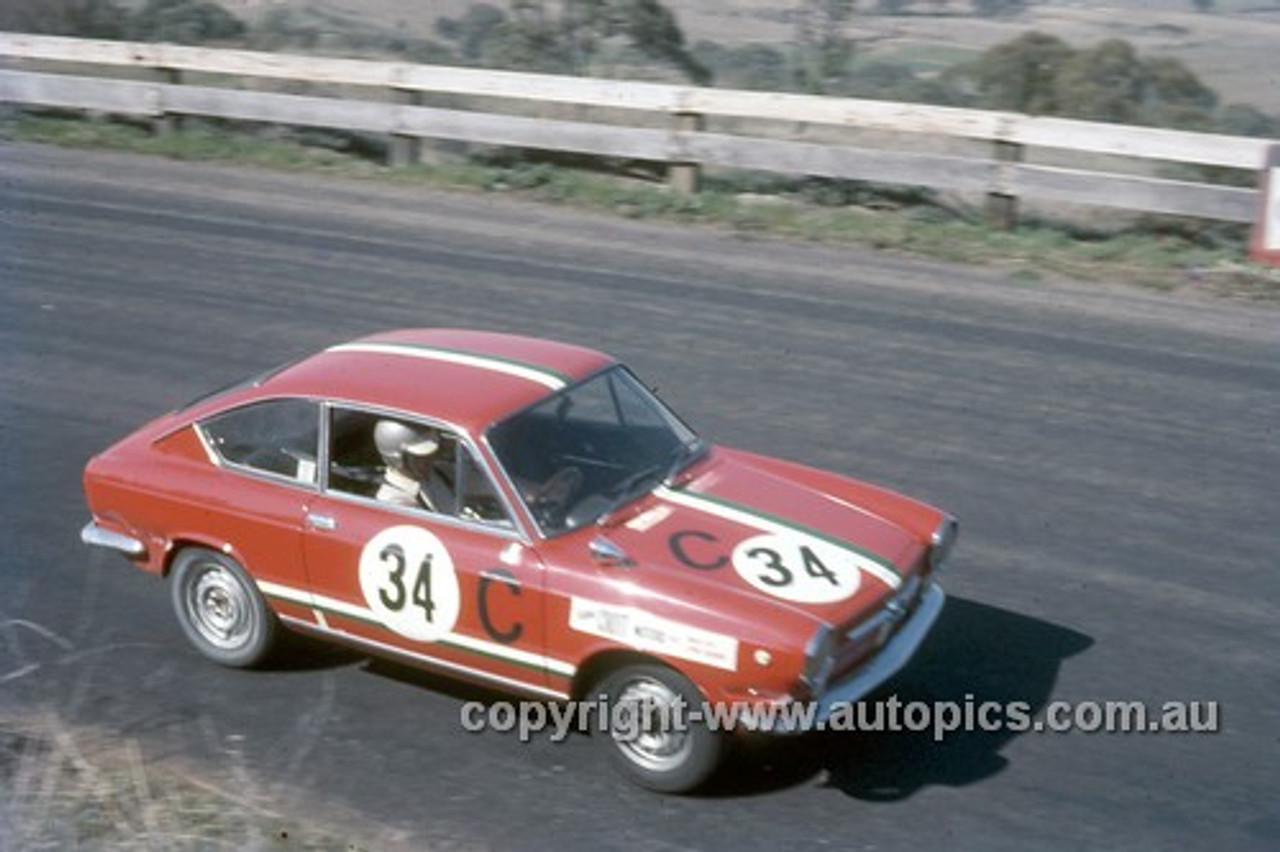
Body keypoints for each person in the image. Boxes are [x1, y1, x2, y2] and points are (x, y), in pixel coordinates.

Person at [373, 420, 451, 511]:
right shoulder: (394, 501)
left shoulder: (437, 473)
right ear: (398, 459)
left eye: (430, 454)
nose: (429, 460)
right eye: (418, 457)